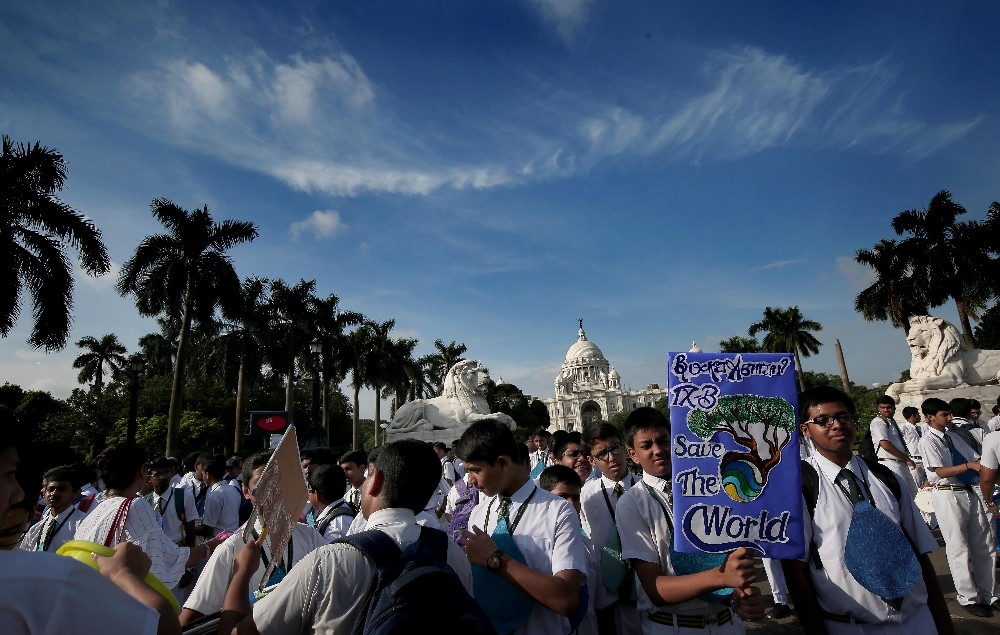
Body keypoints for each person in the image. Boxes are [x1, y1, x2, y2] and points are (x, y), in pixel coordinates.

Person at [218, 438, 473, 634]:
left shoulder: (328, 561)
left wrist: (241, 573)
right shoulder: (452, 553)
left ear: (375, 481)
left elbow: (236, 632)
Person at [780, 387, 952, 634]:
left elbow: (919, 553)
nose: (836, 425)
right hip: (850, 626)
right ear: (805, 430)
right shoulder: (799, 487)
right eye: (822, 420)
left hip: (917, 619)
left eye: (843, 416)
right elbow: (795, 571)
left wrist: (943, 625)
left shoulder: (886, 477)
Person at [0, 442, 181, 635]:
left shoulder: (95, 508)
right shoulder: (50, 579)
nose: (18, 493)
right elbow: (162, 623)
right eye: (9, 474)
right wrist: (123, 575)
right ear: (141, 472)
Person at [615, 407, 763, 634]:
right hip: (672, 626)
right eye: (646, 445)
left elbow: (728, 557)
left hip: (726, 621)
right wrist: (722, 577)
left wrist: (741, 596)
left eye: (663, 441)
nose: (658, 450)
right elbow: (655, 589)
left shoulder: (711, 487)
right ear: (633, 454)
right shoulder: (632, 502)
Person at [458, 418, 589, 635]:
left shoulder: (557, 511)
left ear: (502, 463)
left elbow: (566, 599)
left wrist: (495, 558)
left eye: (475, 470)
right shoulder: (480, 514)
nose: (470, 480)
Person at [179, 450, 329, 625]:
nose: (272, 491)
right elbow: (192, 616)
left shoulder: (310, 537)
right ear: (246, 491)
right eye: (262, 483)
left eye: (279, 482)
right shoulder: (232, 548)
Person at [918, 397, 997, 616]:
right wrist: (968, 465)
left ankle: (990, 593)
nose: (949, 418)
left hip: (968, 490)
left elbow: (976, 458)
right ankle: (968, 598)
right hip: (947, 493)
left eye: (950, 413)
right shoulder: (927, 440)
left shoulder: (953, 436)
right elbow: (938, 471)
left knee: (984, 543)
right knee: (958, 547)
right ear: (930, 417)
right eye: (944, 415)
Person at [580, 420, 641, 635]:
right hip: (606, 589)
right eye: (602, 454)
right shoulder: (587, 495)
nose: (612, 458)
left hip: (645, 583)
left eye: (615, 448)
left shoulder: (644, 488)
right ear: (591, 460)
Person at [19, 465, 88, 552]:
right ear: (44, 492)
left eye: (62, 489)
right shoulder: (35, 529)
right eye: (51, 489)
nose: (54, 493)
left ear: (76, 493)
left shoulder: (83, 524)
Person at [870, 396, 919, 501]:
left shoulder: (891, 422)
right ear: (878, 408)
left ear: (894, 408)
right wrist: (907, 459)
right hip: (890, 462)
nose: (886, 410)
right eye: (882, 407)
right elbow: (885, 445)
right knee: (902, 496)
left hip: (900, 462)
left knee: (913, 495)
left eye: (889, 407)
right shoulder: (878, 422)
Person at [307, 463, 355, 542]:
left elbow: (329, 549)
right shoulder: (331, 512)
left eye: (309, 491)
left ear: (317, 495)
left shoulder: (338, 522)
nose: (308, 495)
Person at [197, 454, 242, 537]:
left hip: (219, 540)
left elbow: (208, 530)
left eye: (203, 474)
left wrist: (189, 528)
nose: (202, 477)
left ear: (207, 475)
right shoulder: (233, 490)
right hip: (233, 537)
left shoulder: (215, 495)